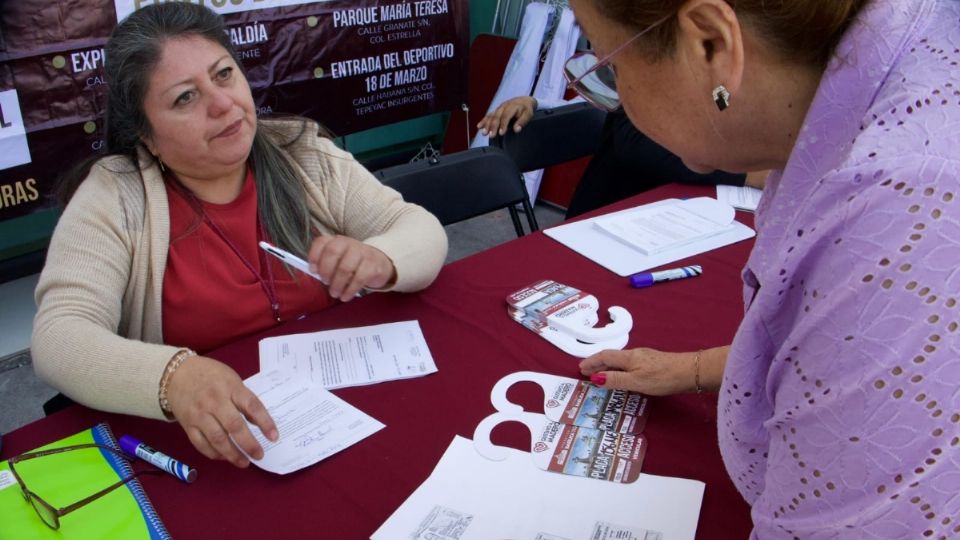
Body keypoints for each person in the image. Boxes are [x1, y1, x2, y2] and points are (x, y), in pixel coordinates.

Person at [564, 0, 959, 536]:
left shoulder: (895, 206)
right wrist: (698, 369)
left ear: (710, 44)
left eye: (609, 61)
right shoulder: (882, 84)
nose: (614, 89)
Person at [32, 4, 447, 469]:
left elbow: (422, 230)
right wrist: (173, 378)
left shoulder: (301, 150)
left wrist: (380, 257)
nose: (223, 103)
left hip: (341, 417)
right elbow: (59, 337)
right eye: (185, 98)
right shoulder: (116, 195)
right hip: (216, 449)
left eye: (224, 75)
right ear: (146, 136)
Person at [477, 96, 763, 218]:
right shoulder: (650, 50)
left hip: (676, 211)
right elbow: (631, 137)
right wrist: (537, 102)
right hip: (612, 218)